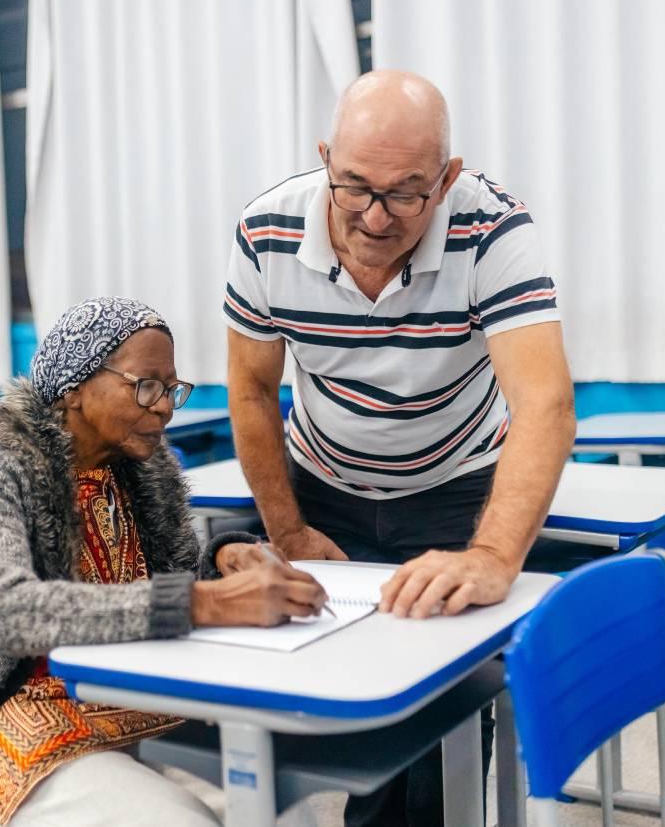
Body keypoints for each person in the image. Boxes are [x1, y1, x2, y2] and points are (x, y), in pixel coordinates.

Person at [224, 70, 576, 825]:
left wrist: (491, 557)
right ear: (326, 158)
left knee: (441, 706)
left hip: (454, 485)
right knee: (347, 691)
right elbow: (252, 391)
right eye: (353, 187)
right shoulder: (266, 231)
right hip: (324, 483)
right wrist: (287, 530)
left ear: (447, 178)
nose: (375, 218)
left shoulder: (494, 228)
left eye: (408, 193)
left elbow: (543, 402)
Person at [0, 296, 328, 827]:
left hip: (137, 691)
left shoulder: (143, 467)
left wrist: (226, 558)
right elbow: (1, 612)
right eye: (145, 385)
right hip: (23, 707)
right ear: (74, 387)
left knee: (283, 808)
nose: (164, 406)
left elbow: (172, 584)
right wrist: (201, 600)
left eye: (170, 389)